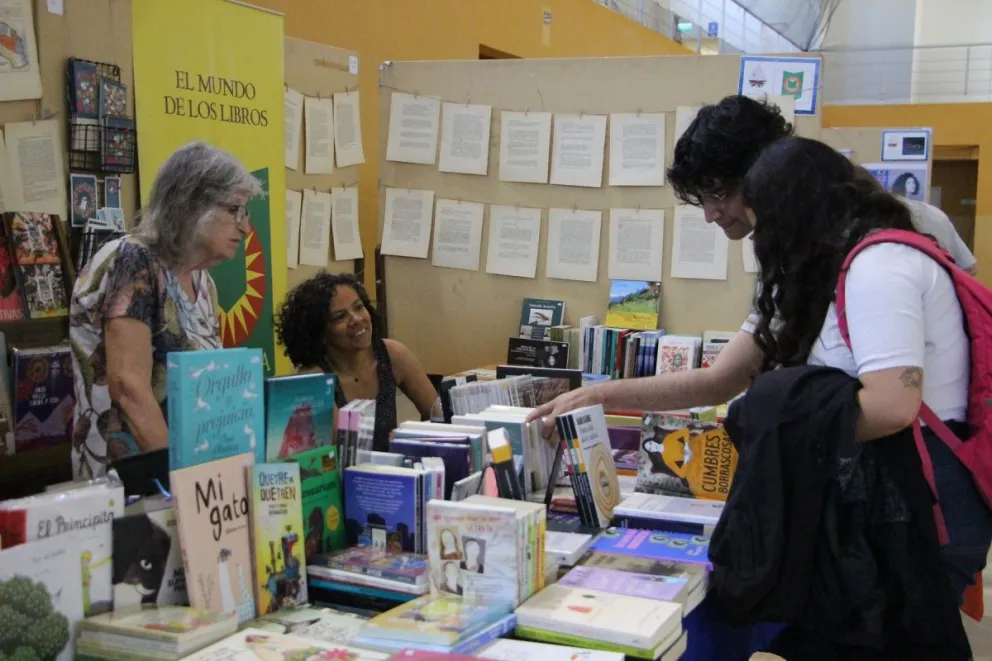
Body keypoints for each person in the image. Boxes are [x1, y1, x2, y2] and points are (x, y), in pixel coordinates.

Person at [528, 94, 977, 429]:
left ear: (767, 176)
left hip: (918, 471)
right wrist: (601, 395)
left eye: (719, 194)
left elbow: (909, 389)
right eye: (701, 199)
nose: (710, 214)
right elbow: (723, 380)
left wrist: (784, 431)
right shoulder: (809, 250)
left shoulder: (879, 254)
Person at [740, 135, 991, 605]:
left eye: (764, 230)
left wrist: (789, 431)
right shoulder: (868, 260)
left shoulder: (878, 268)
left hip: (918, 506)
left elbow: (893, 405)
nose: (763, 245)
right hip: (907, 498)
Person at [70, 141, 260, 479]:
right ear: (190, 204)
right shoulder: (132, 259)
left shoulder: (204, 283)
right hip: (133, 478)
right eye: (235, 210)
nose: (245, 227)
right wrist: (187, 482)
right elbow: (128, 388)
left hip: (189, 475)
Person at [274, 272, 437, 451]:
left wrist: (412, 436)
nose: (357, 319)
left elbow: (439, 414)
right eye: (340, 317)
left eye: (358, 307)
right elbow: (337, 452)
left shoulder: (392, 354)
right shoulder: (315, 380)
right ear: (320, 334)